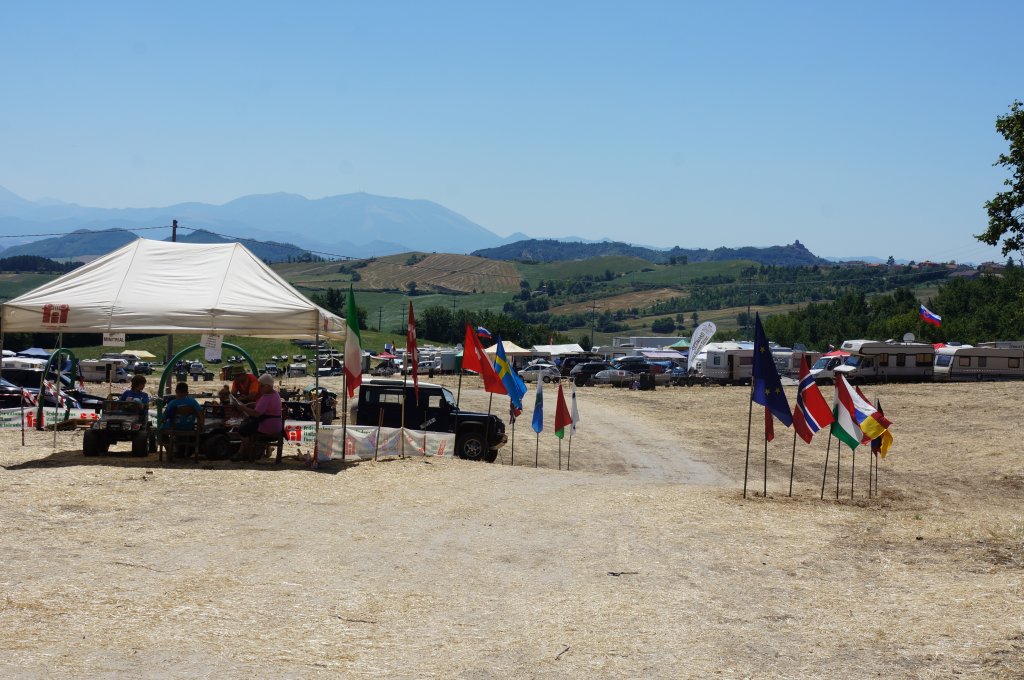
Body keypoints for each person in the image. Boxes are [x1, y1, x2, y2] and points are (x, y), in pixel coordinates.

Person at [235, 373, 282, 461]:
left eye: (261, 386)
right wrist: (249, 404)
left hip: (268, 425)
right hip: (274, 424)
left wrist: (243, 408)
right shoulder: (274, 394)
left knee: (242, 430)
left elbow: (256, 413)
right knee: (245, 426)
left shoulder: (267, 396)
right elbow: (260, 404)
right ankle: (242, 452)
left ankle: (247, 453)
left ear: (267, 386)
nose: (259, 388)